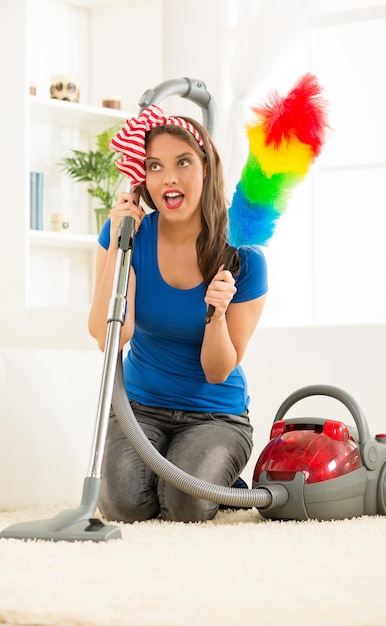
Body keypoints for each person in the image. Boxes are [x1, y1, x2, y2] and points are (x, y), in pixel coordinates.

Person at [88, 104, 268, 523]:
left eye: (183, 161)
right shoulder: (126, 237)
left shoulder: (243, 257)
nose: (169, 176)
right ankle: (177, 471)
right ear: (143, 179)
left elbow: (218, 370)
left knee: (185, 504)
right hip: (140, 408)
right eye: (155, 165)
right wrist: (119, 245)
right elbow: (107, 336)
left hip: (215, 415)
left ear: (206, 168)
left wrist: (217, 313)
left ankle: (215, 479)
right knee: (122, 505)